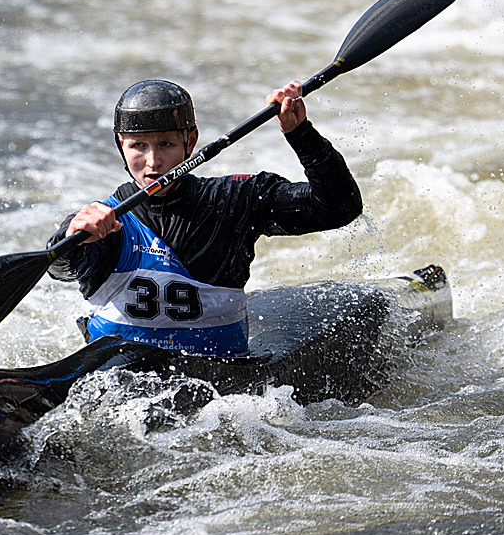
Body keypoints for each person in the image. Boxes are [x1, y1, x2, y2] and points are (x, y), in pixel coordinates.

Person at [46, 79, 362, 357]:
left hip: (221, 387)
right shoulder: (102, 225)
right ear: (121, 145)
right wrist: (72, 238)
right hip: (119, 385)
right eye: (138, 146)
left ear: (191, 141)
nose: (153, 161)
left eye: (166, 144)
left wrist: (300, 133)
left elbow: (339, 207)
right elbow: (59, 267)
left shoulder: (234, 201)